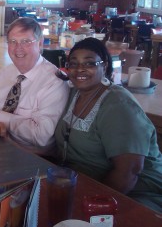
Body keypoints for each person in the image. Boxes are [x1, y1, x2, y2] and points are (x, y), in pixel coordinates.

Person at [54, 37, 162, 213]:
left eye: (89, 63)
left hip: (136, 193)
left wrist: (91, 204)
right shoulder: (73, 94)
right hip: (81, 184)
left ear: (104, 66)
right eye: (73, 64)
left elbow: (129, 173)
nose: (79, 69)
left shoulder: (118, 105)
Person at [0, 17, 69, 156]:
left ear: (39, 44)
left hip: (32, 157)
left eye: (26, 41)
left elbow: (40, 136)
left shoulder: (54, 82)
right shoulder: (5, 73)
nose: (18, 48)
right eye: (13, 42)